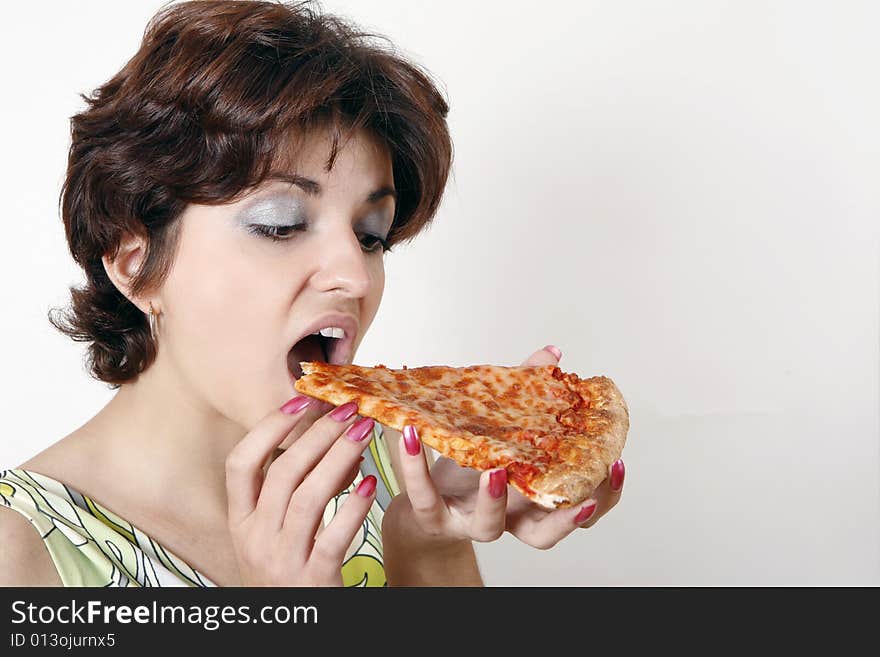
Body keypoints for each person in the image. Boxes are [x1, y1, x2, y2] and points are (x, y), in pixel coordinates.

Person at [0, 0, 625, 587]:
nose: (354, 276)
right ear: (137, 265)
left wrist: (428, 548)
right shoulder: (19, 548)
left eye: (371, 234)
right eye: (280, 225)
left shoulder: (402, 477)